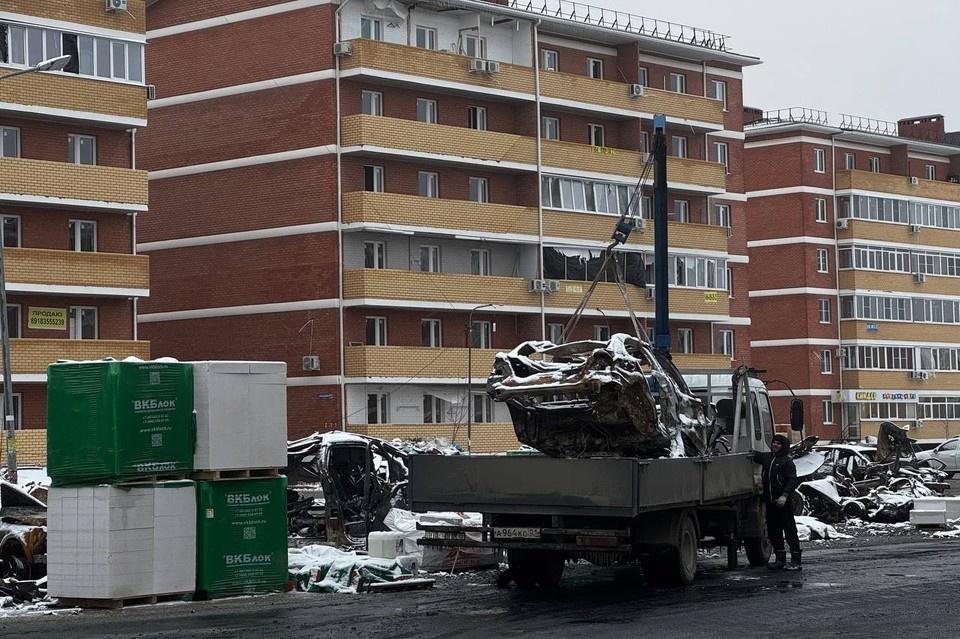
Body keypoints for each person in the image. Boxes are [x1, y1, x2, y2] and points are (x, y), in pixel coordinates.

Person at [752, 434, 802, 571]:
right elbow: (754, 455)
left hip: (783, 504)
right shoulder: (768, 458)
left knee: (790, 531)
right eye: (774, 442)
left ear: (784, 446)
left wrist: (785, 496)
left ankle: (796, 560)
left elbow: (792, 480)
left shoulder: (787, 462)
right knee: (774, 531)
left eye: (778, 443)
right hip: (770, 502)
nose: (775, 445)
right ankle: (780, 559)